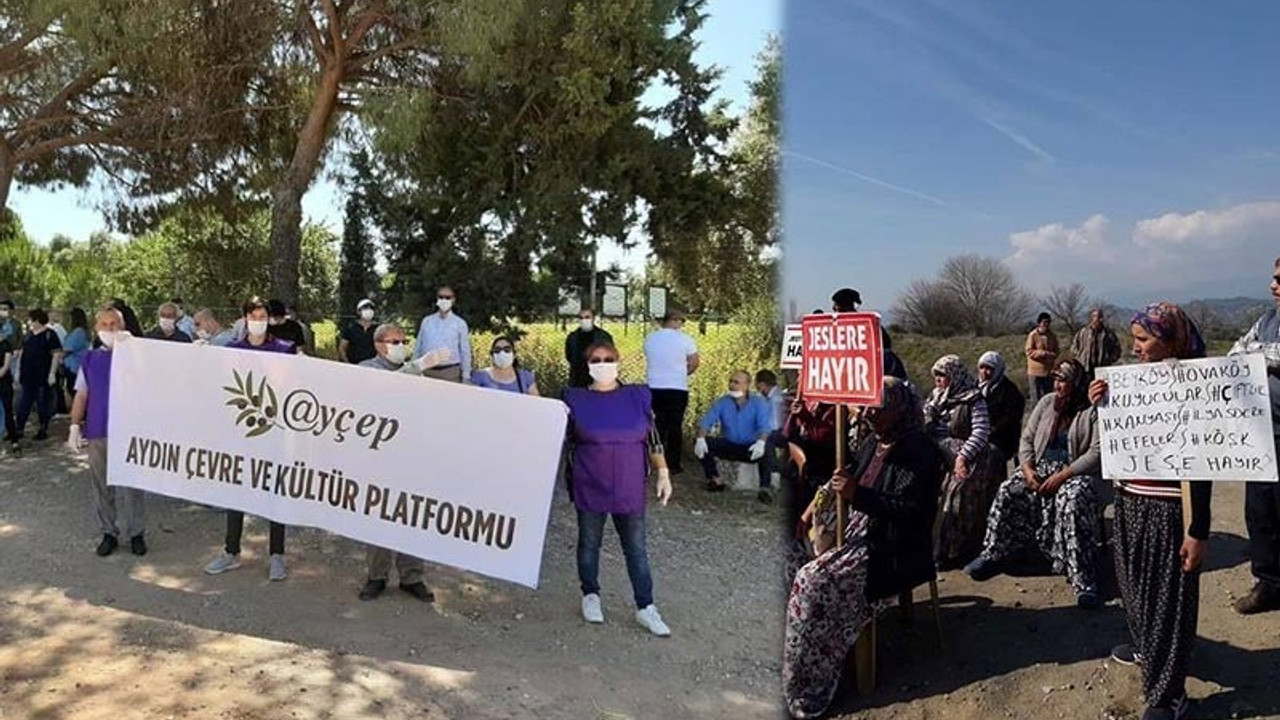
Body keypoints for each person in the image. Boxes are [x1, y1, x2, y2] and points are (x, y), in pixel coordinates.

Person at [784, 377, 945, 719]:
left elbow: (911, 513)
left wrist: (859, 495)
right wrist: (811, 510)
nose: (869, 412)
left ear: (899, 408)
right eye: (868, 404)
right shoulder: (874, 441)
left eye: (878, 406)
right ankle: (803, 650)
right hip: (860, 527)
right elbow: (844, 477)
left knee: (814, 581)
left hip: (892, 545)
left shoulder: (920, 450)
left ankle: (811, 682)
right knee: (789, 557)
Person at [1088, 302, 1211, 720]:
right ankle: (1148, 649)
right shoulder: (1128, 383)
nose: (1134, 347)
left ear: (1170, 340)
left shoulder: (1196, 388)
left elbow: (1204, 466)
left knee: (1168, 601)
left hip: (1167, 510)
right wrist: (1100, 403)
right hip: (1128, 501)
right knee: (1135, 587)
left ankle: (1169, 695)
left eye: (1143, 339)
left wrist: (1198, 530)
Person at [964, 358, 1103, 609]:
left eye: (1064, 380)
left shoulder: (1090, 410)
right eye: (1056, 379)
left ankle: (1083, 578)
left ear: (1077, 383)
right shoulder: (1047, 403)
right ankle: (994, 554)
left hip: (1075, 472)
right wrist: (1027, 469)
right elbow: (1027, 439)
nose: (1058, 385)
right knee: (1009, 489)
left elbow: (1095, 452)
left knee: (1072, 500)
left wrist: (1063, 476)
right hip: (1040, 467)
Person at [563, 339, 674, 636]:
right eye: (595, 359)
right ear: (587, 366)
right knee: (589, 543)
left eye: (607, 358)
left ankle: (646, 606)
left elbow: (653, 438)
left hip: (629, 485)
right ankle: (590, 595)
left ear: (618, 361)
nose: (602, 364)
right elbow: (553, 436)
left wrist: (663, 472)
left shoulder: (637, 396)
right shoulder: (573, 401)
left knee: (636, 549)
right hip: (590, 482)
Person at [204, 297, 297, 581]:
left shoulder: (285, 349)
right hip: (241, 432)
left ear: (269, 318)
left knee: (274, 494)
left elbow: (293, 386)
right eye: (252, 315)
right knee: (236, 492)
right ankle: (231, 552)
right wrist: (197, 358)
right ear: (244, 318)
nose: (257, 320)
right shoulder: (233, 349)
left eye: (262, 315)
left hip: (274, 431)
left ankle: (277, 556)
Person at [356, 323, 435, 602]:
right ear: (380, 344)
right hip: (379, 455)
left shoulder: (418, 372)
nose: (401, 345)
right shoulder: (366, 368)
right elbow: (381, 391)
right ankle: (376, 576)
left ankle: (412, 576)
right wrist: (415, 369)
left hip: (410, 454)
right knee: (378, 514)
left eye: (404, 340)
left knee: (411, 514)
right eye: (395, 341)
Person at [67, 308, 148, 556]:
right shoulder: (90, 359)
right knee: (101, 484)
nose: (110, 328)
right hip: (99, 429)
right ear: (96, 328)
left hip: (131, 431)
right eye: (105, 324)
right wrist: (73, 425)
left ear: (123, 327)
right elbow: (82, 394)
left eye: (114, 324)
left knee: (133, 485)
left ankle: (136, 534)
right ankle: (108, 533)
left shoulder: (139, 356)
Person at [1227, 261, 1280, 615]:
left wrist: (1258, 355)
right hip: (1264, 432)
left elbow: (1259, 354)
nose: (1272, 284)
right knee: (1261, 512)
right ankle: (1270, 583)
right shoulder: (1266, 319)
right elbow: (1235, 352)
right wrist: (1261, 354)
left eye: (1279, 279)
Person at [925, 355, 1002, 569]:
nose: (939, 379)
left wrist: (962, 457)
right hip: (937, 451)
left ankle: (953, 549)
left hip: (969, 453)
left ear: (954, 375)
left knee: (956, 491)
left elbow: (980, 432)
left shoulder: (973, 399)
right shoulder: (936, 397)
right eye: (937, 375)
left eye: (943, 375)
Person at [695, 370, 774, 497]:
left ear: (747, 385)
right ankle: (715, 479)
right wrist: (700, 438)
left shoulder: (758, 403)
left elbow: (764, 427)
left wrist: (761, 442)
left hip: (750, 448)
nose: (732, 385)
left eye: (736, 382)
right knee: (704, 442)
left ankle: (765, 488)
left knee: (768, 447)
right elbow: (706, 422)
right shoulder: (722, 402)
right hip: (729, 445)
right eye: (731, 381)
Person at [643, 309, 699, 475]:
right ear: (676, 320)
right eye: (681, 322)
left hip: (654, 386)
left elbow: (649, 357)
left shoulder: (651, 338)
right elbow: (694, 362)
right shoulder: (685, 340)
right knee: (675, 426)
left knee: (657, 425)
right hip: (677, 388)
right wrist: (683, 373)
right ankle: (673, 463)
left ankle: (654, 460)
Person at [782, 399, 838, 530]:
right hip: (801, 466)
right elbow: (786, 434)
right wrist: (793, 414)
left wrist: (805, 417)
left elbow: (827, 436)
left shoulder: (835, 409)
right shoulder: (807, 403)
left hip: (823, 465)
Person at [831, 287, 908, 381]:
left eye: (837, 305)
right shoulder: (833, 330)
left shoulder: (868, 326)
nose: (834, 308)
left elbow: (884, 347)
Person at [15, 308, 63, 441]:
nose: (29, 322)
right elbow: (22, 353)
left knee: (42, 403)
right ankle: (19, 429)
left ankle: (43, 429)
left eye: (31, 319)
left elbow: (56, 354)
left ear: (37, 320)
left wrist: (52, 373)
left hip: (42, 375)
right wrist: (18, 371)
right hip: (27, 376)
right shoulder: (29, 335)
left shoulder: (50, 334)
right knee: (23, 403)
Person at [412, 285, 471, 383]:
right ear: (437, 299)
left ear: (453, 300)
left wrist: (466, 376)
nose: (444, 300)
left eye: (448, 297)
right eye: (441, 297)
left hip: (451, 373)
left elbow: (465, 351)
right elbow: (418, 346)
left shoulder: (460, 323)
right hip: (427, 372)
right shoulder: (427, 321)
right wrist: (414, 368)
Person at [976, 351, 1026, 463]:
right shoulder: (975, 387)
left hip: (1002, 439)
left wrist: (991, 428)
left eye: (989, 368)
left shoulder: (1009, 390)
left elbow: (1012, 416)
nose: (984, 372)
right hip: (979, 436)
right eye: (982, 367)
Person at [471, 337, 539, 395]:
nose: (502, 353)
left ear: (514, 354)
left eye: (507, 349)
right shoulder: (479, 376)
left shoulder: (526, 377)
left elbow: (536, 404)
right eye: (497, 350)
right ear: (492, 355)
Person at [564, 308, 613, 388]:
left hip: (598, 377)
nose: (584, 320)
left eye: (587, 317)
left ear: (593, 318)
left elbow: (610, 356)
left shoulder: (603, 336)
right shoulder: (572, 337)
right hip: (577, 378)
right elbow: (569, 356)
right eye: (581, 317)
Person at [1071, 307, 1122, 380]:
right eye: (1098, 317)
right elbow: (1074, 346)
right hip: (1085, 368)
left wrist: (1110, 359)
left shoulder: (1108, 334)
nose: (1100, 319)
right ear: (1092, 318)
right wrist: (1079, 357)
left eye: (1101, 317)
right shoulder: (1082, 332)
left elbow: (1117, 348)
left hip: (1102, 368)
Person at [1025, 312, 1060, 404]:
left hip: (1048, 371)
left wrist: (1052, 355)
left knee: (1048, 397)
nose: (1047, 324)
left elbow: (1057, 351)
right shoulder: (1033, 335)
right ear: (1039, 323)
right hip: (1035, 371)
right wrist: (1041, 353)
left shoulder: (1052, 336)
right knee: (1035, 398)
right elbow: (1029, 351)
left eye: (1048, 322)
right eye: (1044, 322)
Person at [60, 308, 91, 414]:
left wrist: (60, 356)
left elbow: (69, 348)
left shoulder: (79, 332)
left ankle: (82, 411)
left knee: (74, 389)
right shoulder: (79, 331)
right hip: (72, 365)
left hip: (74, 366)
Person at [338, 299, 379, 365]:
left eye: (371, 308)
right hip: (354, 365)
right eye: (365, 308)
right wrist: (347, 363)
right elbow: (342, 348)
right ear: (358, 312)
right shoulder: (350, 328)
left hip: (373, 366)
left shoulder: (378, 329)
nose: (369, 310)